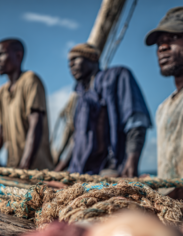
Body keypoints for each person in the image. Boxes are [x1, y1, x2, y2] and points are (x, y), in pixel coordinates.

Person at [56, 43, 152, 177]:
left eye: (75, 59)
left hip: (110, 169)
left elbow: (135, 121)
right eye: (69, 62)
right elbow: (77, 139)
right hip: (80, 171)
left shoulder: (117, 76)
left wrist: (131, 162)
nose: (70, 65)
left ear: (93, 58)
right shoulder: (81, 96)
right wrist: (58, 169)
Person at [0, 38, 53, 170]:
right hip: (13, 167)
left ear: (18, 55)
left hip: (35, 169)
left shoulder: (30, 81)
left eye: (1, 54)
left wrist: (25, 166)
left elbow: (36, 125)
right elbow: (1, 130)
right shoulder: (2, 92)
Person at [145, 7, 183, 197]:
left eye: (173, 38)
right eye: (160, 43)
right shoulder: (163, 108)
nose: (162, 47)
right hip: (171, 211)